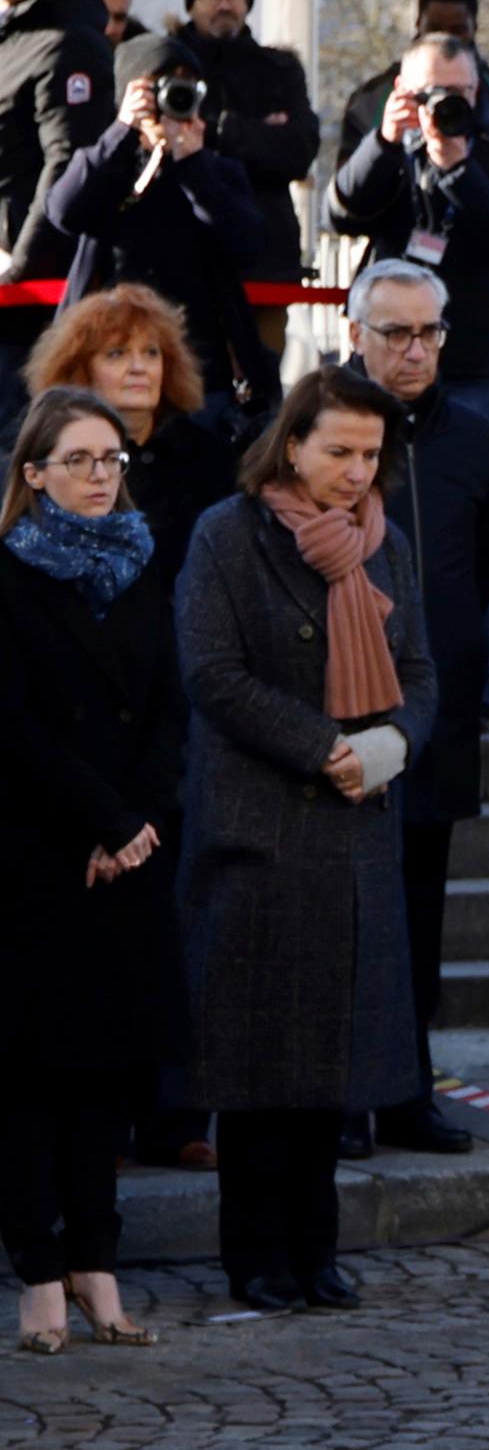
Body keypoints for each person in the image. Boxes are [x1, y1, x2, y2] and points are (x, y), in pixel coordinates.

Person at [176, 367, 433, 1312]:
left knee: (332, 1063)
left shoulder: (387, 546)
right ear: (292, 445)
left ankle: (316, 1249)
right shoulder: (228, 537)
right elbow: (213, 673)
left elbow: (420, 672)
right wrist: (325, 746)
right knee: (257, 1065)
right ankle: (256, 1255)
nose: (356, 472)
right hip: (259, 826)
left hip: (357, 823)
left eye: (370, 454)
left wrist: (395, 743)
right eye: (339, 451)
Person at [0, 386, 179, 1351]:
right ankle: (36, 1268)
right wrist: (106, 821)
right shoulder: (11, 576)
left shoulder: (142, 565)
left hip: (131, 856)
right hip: (41, 855)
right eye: (79, 461)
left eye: (112, 459)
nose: (102, 476)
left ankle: (97, 1265)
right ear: (34, 475)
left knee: (106, 1070)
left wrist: (142, 819)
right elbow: (17, 728)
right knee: (33, 1073)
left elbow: (167, 710)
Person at [339, 257, 489, 1158]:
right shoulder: (322, 425)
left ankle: (409, 1091)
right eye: (394, 332)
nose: (414, 350)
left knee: (423, 912)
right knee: (352, 908)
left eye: (429, 331)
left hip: (435, 710)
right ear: (356, 332)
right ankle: (345, 1093)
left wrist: (465, 684)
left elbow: (478, 574)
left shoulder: (471, 437)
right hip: (348, 712)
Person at [331, 31, 489, 455]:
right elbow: (342, 214)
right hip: (389, 353)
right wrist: (385, 143)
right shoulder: (390, 149)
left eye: (458, 91)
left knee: (465, 479)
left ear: (476, 90)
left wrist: (460, 169)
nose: (445, 103)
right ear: (403, 92)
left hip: (476, 357)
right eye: (431, 92)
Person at [44, 39, 273, 410]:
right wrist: (121, 131)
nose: (172, 97)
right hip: (106, 366)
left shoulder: (216, 171)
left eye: (184, 86)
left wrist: (193, 164)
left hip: (200, 370)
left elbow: (248, 245)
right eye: (160, 86)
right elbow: (63, 211)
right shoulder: (108, 163)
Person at [24, 282, 228, 582]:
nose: (138, 367)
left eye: (150, 353)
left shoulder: (210, 456)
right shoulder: (50, 455)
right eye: (117, 354)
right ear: (81, 369)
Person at [169, 0, 319, 296]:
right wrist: (257, 132)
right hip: (185, 258)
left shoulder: (279, 69)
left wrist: (216, 131)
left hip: (265, 262)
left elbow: (299, 151)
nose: (224, 5)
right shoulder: (167, 64)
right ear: (191, 5)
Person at [0, 0, 111, 315]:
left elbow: (66, 160)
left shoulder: (67, 40)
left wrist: (22, 265)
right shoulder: (12, 33)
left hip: (32, 284)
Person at [335, 0, 489, 155]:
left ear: (474, 29)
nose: (446, 38)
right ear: (418, 25)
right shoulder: (371, 101)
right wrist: (383, 141)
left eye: (458, 30)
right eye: (435, 29)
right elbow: (345, 190)